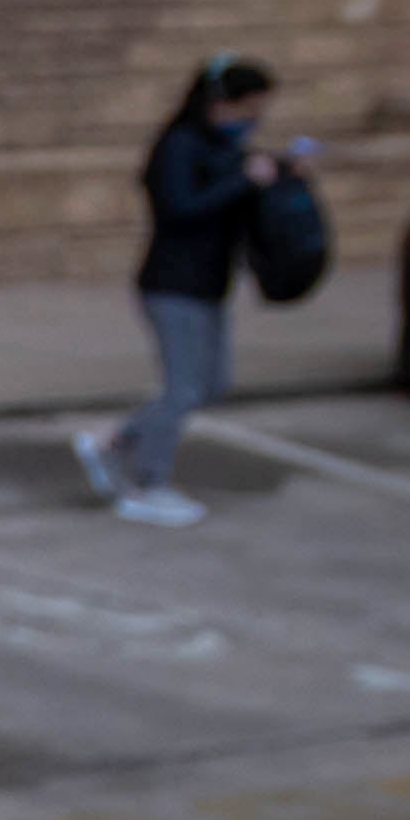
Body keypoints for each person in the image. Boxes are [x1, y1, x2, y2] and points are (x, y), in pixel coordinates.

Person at [82, 51, 285, 530]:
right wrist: (241, 182)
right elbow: (179, 210)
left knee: (209, 386)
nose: (254, 119)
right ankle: (148, 485)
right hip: (172, 284)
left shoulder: (228, 149)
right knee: (182, 389)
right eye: (249, 108)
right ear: (223, 101)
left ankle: (113, 442)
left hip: (211, 286)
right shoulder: (179, 145)